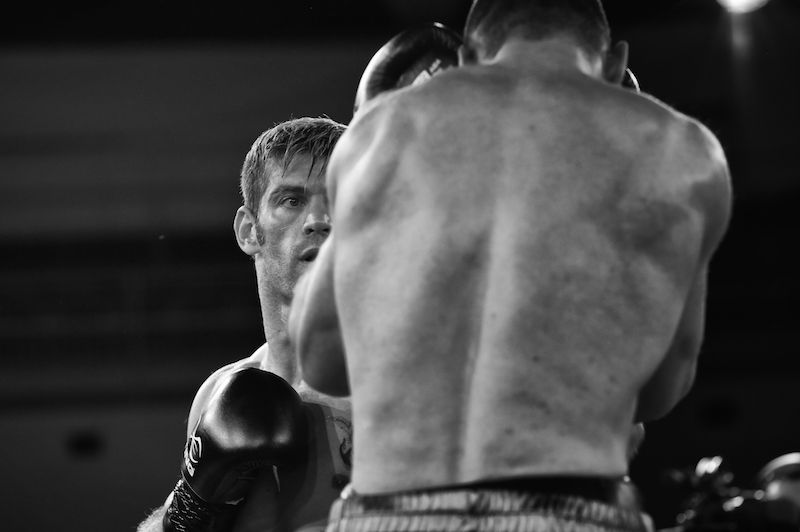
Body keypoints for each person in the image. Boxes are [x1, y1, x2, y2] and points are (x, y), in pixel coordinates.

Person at [289, 0, 733, 531]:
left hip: (390, 511)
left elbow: (320, 360)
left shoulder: (383, 132)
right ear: (615, 63)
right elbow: (662, 391)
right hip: (572, 511)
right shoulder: (684, 153)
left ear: (472, 54)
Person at [138, 116, 351, 532]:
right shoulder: (220, 394)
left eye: (340, 199)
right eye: (292, 200)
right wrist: (187, 510)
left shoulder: (403, 391)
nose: (319, 219)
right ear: (249, 231)